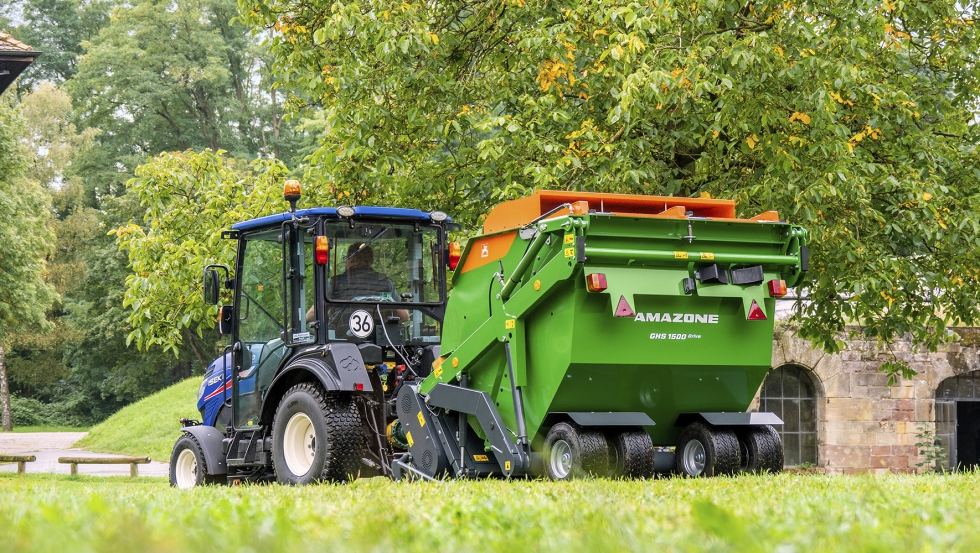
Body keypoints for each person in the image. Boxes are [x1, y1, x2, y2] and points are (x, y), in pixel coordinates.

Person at [307, 243, 409, 324]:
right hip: (380, 340)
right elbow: (404, 316)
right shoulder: (385, 282)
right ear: (370, 261)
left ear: (350, 260)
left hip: (342, 340)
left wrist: (302, 324)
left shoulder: (337, 282)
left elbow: (314, 313)